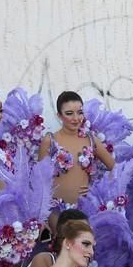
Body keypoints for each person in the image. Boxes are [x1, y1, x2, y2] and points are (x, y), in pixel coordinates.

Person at [38, 91, 115, 232]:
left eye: (79, 112)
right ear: (59, 116)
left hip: (85, 209)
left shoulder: (91, 139)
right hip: (57, 210)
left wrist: (97, 189)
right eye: (69, 113)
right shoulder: (49, 141)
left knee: (84, 250)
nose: (76, 118)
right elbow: (40, 181)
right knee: (62, 248)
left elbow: (115, 169)